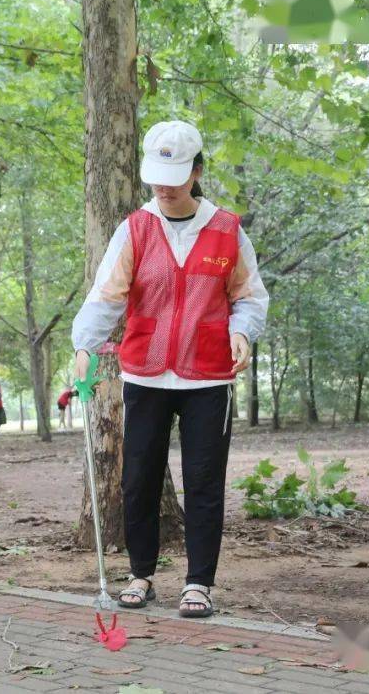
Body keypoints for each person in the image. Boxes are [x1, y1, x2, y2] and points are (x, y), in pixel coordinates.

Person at [71, 120, 268, 618]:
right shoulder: (134, 228)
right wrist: (84, 346)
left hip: (207, 378)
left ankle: (199, 582)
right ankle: (140, 574)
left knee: (204, 480)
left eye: (175, 176)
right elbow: (106, 294)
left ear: (197, 172)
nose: (163, 187)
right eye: (156, 176)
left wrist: (242, 332)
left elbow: (249, 297)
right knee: (138, 478)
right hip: (146, 375)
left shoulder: (226, 230)